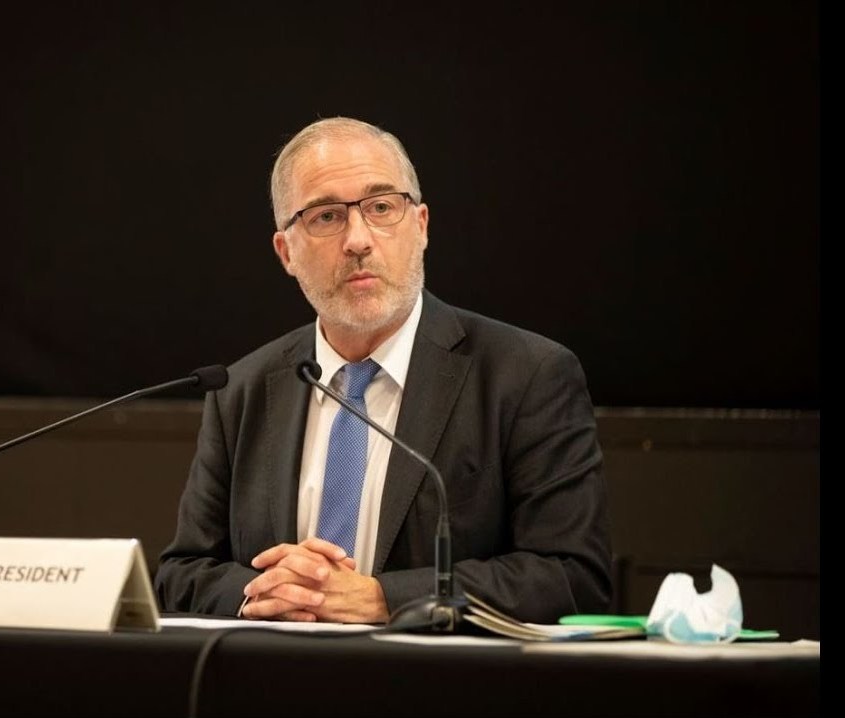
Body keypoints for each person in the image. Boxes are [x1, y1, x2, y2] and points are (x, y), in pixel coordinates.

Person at [154, 117, 612, 624]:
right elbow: (183, 573)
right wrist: (265, 593)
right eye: (326, 216)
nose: (358, 239)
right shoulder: (241, 390)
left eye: (380, 207)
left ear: (420, 225)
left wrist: (385, 599)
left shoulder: (526, 376)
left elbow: (572, 577)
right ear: (286, 252)